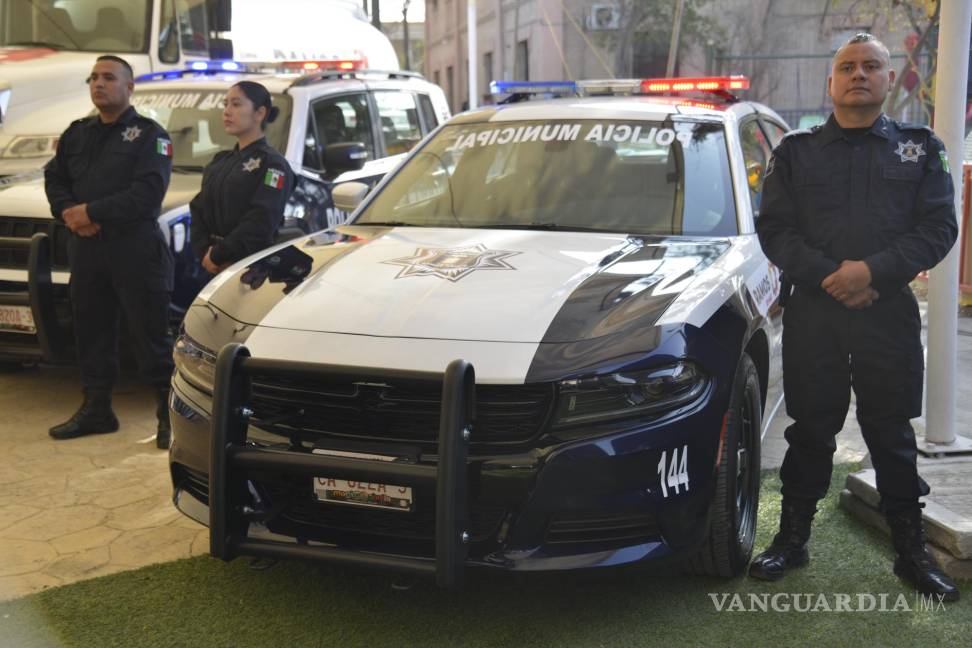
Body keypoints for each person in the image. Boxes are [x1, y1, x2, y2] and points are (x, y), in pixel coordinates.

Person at [753, 33, 959, 601]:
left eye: (871, 66)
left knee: (891, 433)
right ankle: (791, 540)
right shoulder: (795, 151)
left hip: (885, 311)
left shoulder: (920, 148)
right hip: (814, 315)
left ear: (889, 80)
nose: (859, 74)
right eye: (848, 67)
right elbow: (775, 230)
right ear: (831, 83)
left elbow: (939, 227)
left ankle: (911, 554)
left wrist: (870, 273)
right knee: (810, 429)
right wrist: (832, 276)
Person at [44, 55, 175, 448]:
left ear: (129, 87)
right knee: (91, 331)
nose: (99, 84)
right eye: (94, 78)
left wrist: (92, 212)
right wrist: (70, 213)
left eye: (109, 78)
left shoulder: (151, 136)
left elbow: (147, 194)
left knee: (150, 337)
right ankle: (97, 410)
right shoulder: (77, 133)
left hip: (134, 249)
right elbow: (54, 177)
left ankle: (169, 417)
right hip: (86, 249)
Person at [189, 81, 294, 275]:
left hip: (249, 268)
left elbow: (261, 221)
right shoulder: (220, 161)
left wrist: (219, 254)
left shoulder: (273, 165)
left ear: (259, 113)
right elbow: (198, 208)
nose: (227, 111)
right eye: (225, 104)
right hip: (212, 266)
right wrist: (205, 252)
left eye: (236, 104)